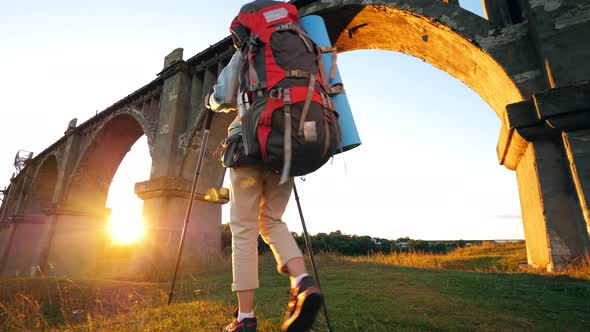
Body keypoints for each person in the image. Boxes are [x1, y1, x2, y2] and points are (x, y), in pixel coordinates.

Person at [205, 1, 324, 331]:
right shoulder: (303, 44)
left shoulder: (246, 51)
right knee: (271, 219)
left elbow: (223, 96)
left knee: (243, 228)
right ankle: (303, 282)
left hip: (248, 145)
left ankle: (245, 318)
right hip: (288, 142)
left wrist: (210, 101)